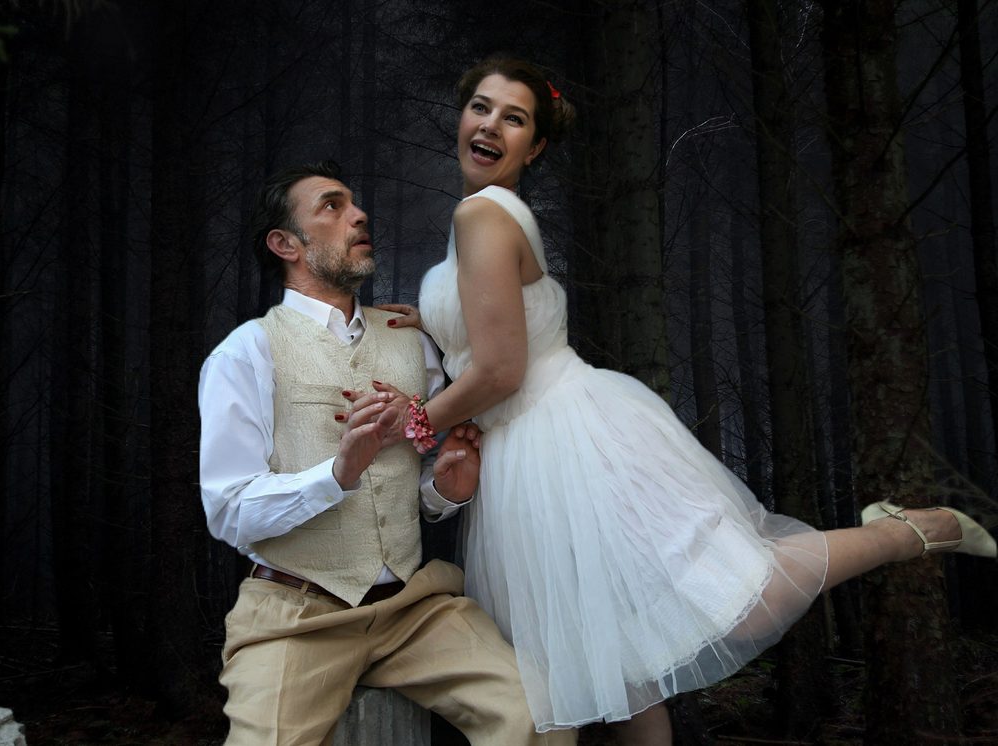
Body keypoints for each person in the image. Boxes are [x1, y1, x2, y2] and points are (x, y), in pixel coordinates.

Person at [377, 55, 997, 742]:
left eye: (514, 118)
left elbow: (500, 369)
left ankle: (907, 531)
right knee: (619, 661)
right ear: (462, 117)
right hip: (523, 457)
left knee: (742, 596)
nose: (491, 125)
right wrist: (434, 317)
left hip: (564, 438)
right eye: (481, 107)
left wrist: (411, 424)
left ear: (536, 146)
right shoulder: (481, 218)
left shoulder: (481, 215)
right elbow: (496, 324)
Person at [198, 160, 576, 745]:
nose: (358, 214)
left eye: (354, 203)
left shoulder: (411, 341)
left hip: (411, 609)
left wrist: (443, 490)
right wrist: (337, 473)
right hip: (296, 616)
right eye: (332, 206)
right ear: (285, 245)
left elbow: (410, 485)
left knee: (539, 714)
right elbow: (228, 512)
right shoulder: (245, 353)